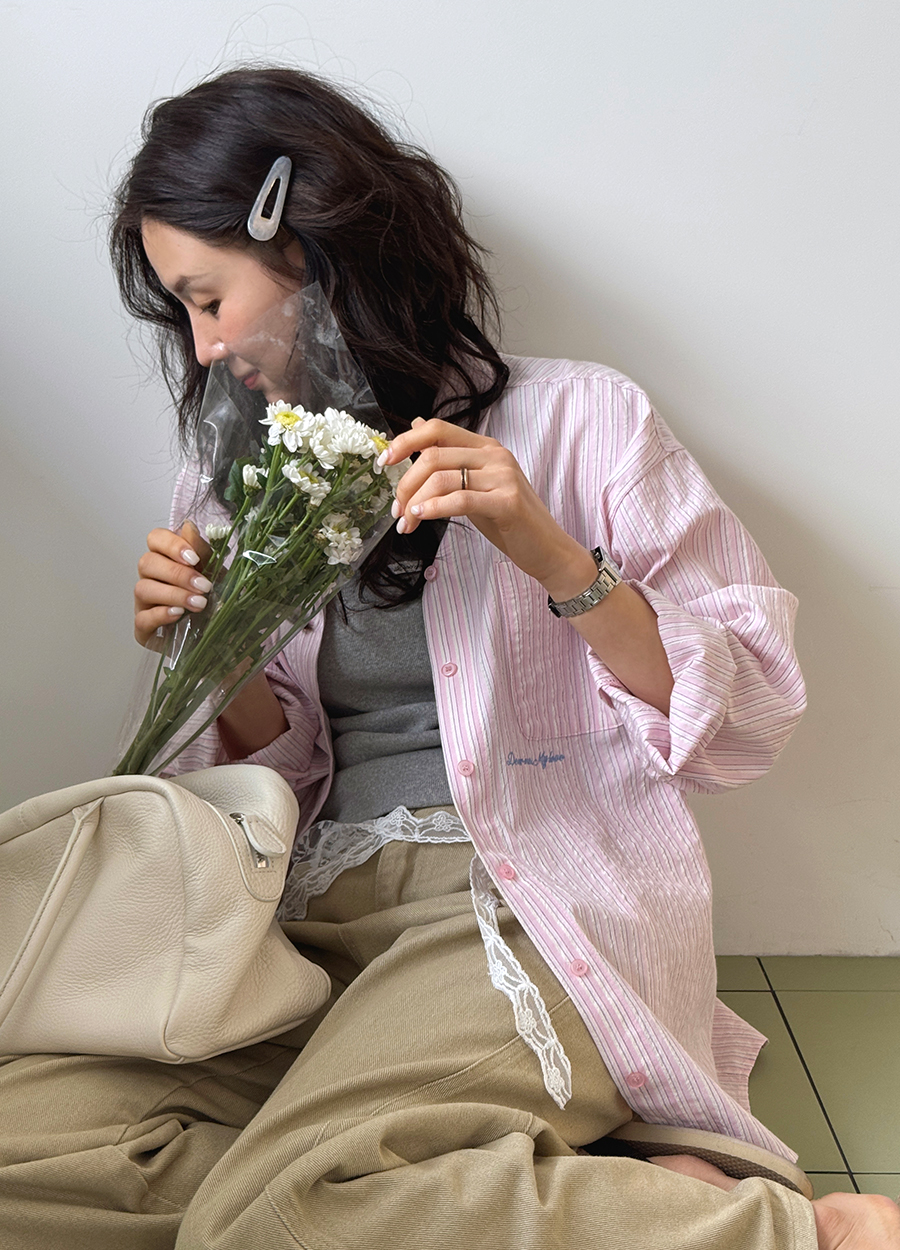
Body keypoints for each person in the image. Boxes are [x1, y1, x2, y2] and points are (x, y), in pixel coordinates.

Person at [0, 65, 896, 1250]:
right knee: (32, 1144)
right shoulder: (238, 482)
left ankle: (801, 1235)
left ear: (311, 249)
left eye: (210, 298)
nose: (206, 347)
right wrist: (209, 654)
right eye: (184, 314)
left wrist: (552, 554)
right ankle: (561, 1183)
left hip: (517, 898)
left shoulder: (581, 421)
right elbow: (281, 782)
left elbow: (746, 720)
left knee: (282, 1213)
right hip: (302, 920)